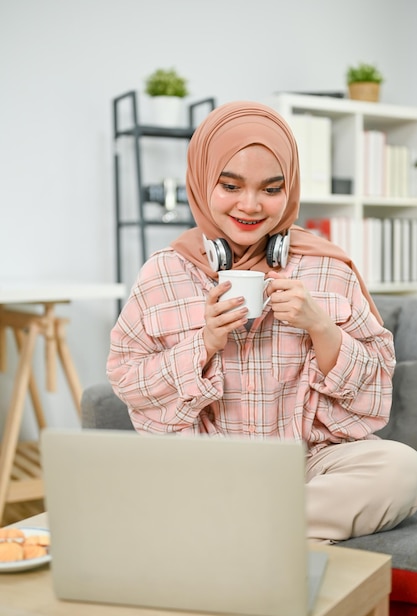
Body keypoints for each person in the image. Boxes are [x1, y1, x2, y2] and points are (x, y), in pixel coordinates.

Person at [107, 101, 417, 542]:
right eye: (230, 185)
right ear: (201, 180)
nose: (250, 206)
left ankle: (232, 530)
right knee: (137, 472)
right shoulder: (163, 273)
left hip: (308, 466)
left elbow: (375, 396)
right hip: (205, 467)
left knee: (402, 470)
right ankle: (275, 530)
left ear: (289, 191)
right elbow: (129, 383)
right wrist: (205, 342)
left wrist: (321, 328)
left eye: (271, 190)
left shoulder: (328, 268)